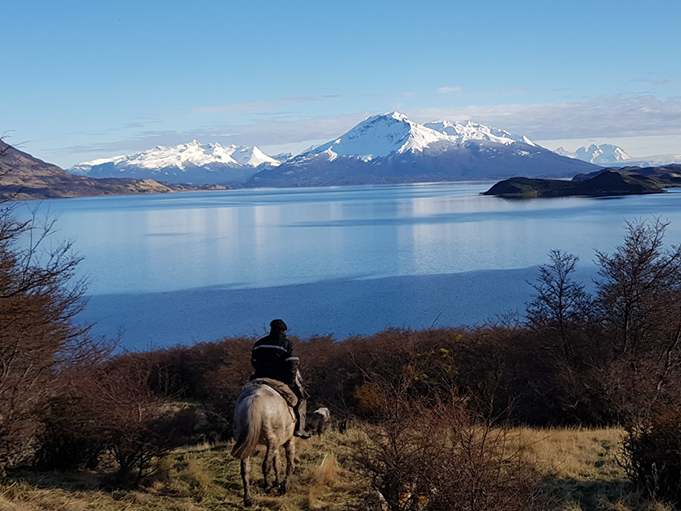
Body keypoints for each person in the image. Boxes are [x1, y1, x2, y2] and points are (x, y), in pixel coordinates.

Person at [251, 319, 310, 439]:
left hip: (259, 378)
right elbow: (292, 365)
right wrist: (290, 382)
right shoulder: (287, 344)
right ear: (283, 331)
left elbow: (254, 361)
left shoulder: (259, 343)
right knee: (300, 399)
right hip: (279, 380)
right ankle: (299, 428)